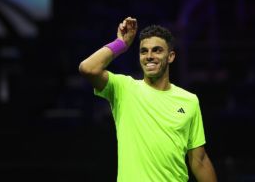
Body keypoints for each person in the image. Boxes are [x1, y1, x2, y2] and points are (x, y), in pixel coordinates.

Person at [79, 17, 217, 182]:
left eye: (157, 50)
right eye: (144, 51)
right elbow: (88, 68)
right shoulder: (124, 88)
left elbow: (199, 160)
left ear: (171, 56)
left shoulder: (189, 100)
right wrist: (120, 43)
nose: (149, 56)